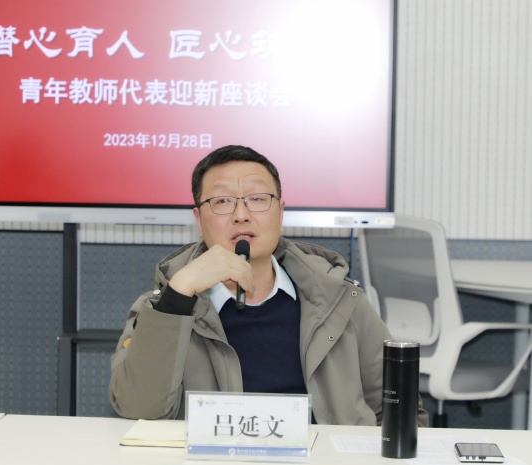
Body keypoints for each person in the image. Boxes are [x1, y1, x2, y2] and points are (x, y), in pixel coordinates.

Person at [109, 145, 428, 426]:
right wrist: (178, 296)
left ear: (280, 212)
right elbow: (138, 410)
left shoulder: (341, 300)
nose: (241, 215)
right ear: (199, 220)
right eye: (222, 201)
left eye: (257, 199)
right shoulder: (162, 309)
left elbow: (401, 412)